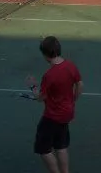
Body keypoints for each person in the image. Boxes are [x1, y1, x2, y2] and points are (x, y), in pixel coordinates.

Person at [26, 36, 83, 173]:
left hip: (52, 117)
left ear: (45, 55)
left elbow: (40, 98)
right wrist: (74, 99)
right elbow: (80, 83)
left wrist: (33, 87)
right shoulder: (70, 66)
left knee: (43, 149)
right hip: (66, 114)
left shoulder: (49, 75)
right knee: (61, 146)